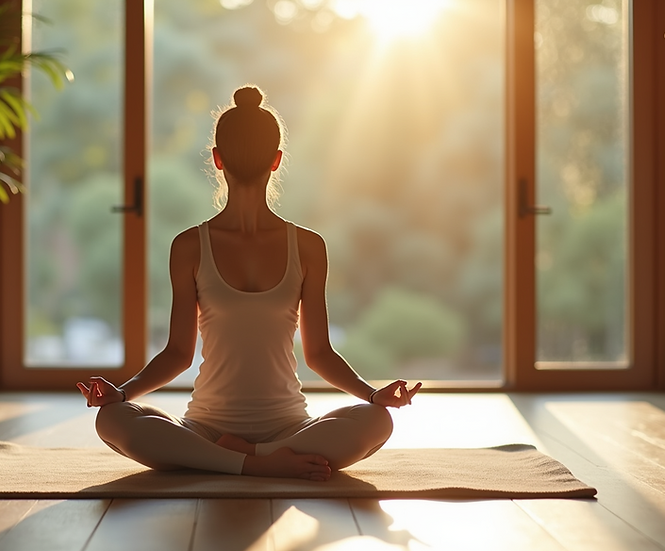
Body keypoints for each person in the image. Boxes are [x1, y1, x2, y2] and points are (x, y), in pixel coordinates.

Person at [77, 85, 421, 482]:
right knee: (115, 419)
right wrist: (120, 398)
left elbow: (177, 355)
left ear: (217, 159)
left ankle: (235, 458)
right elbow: (319, 354)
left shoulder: (304, 247)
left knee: (375, 420)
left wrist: (373, 398)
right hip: (207, 427)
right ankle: (262, 463)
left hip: (287, 428)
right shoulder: (193, 246)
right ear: (276, 161)